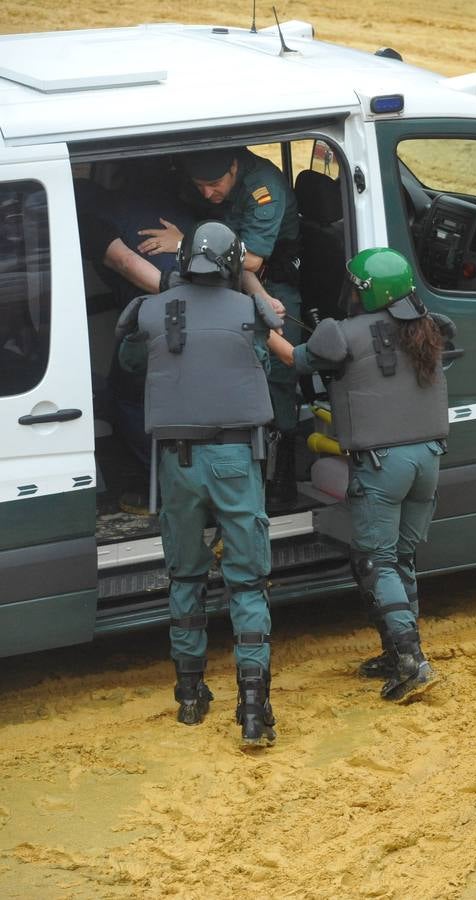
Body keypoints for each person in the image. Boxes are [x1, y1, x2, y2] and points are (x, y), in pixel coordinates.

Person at [113, 221, 282, 748]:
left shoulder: (146, 311)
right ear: (231, 264)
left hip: (177, 462)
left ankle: (190, 696)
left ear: (184, 261)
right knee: (247, 582)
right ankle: (253, 708)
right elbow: (260, 361)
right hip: (235, 455)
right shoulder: (250, 311)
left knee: (185, 577)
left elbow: (129, 361)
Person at [266, 248, 451, 702]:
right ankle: (400, 651)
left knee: (376, 561)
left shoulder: (338, 333)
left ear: (366, 292)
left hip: (383, 466)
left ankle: (411, 661)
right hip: (428, 459)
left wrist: (262, 324)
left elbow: (295, 358)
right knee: (401, 560)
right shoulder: (429, 327)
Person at [139, 148, 304, 503]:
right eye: (200, 185)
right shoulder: (204, 181)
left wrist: (185, 244)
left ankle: (282, 479)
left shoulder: (263, 187)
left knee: (276, 373)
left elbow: (255, 257)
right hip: (222, 280)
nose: (207, 194)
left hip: (270, 283)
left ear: (233, 167)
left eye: (214, 185)